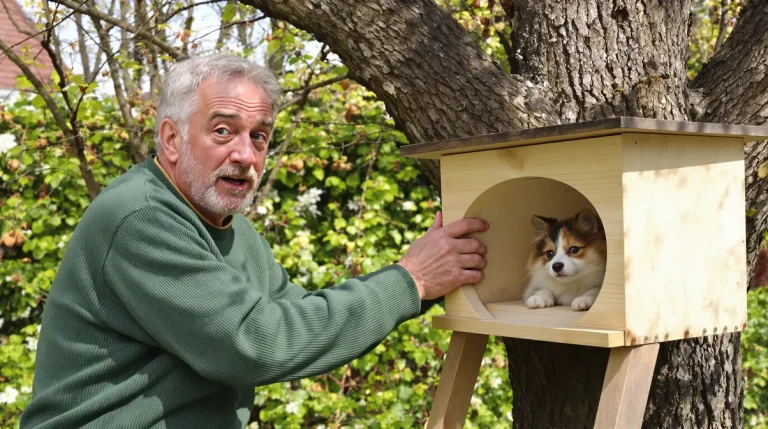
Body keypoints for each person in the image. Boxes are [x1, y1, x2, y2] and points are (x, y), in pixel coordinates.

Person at [19, 53, 489, 428]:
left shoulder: (228, 226)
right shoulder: (141, 218)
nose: (245, 154)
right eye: (223, 131)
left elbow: (299, 323)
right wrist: (410, 281)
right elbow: (258, 343)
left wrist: (429, 277)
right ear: (171, 139)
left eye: (259, 136)